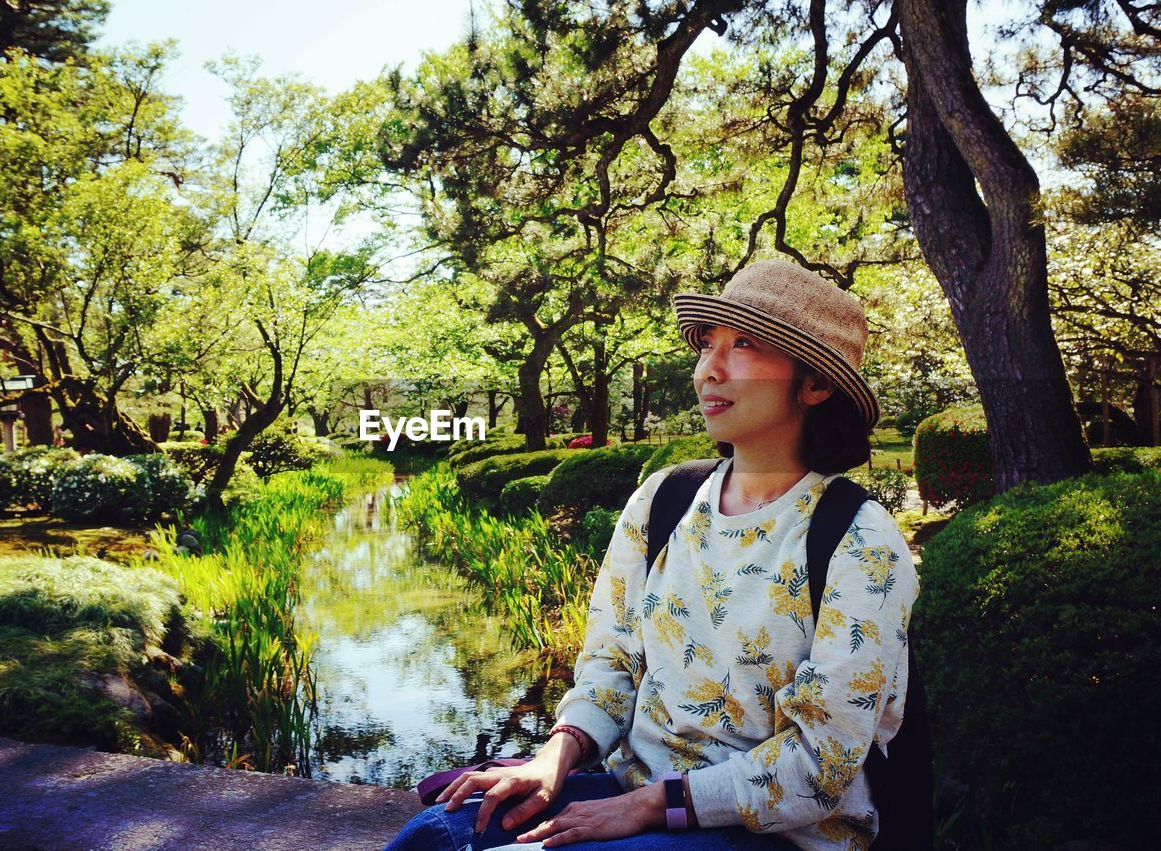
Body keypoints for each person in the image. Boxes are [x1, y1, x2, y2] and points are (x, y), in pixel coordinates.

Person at [387, 260, 920, 850]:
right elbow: (612, 662)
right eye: (707, 344)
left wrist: (651, 807)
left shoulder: (857, 538)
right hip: (629, 792)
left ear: (814, 384)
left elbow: (823, 762)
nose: (708, 370)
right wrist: (554, 757)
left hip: (769, 831)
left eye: (742, 345)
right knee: (436, 835)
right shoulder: (664, 500)